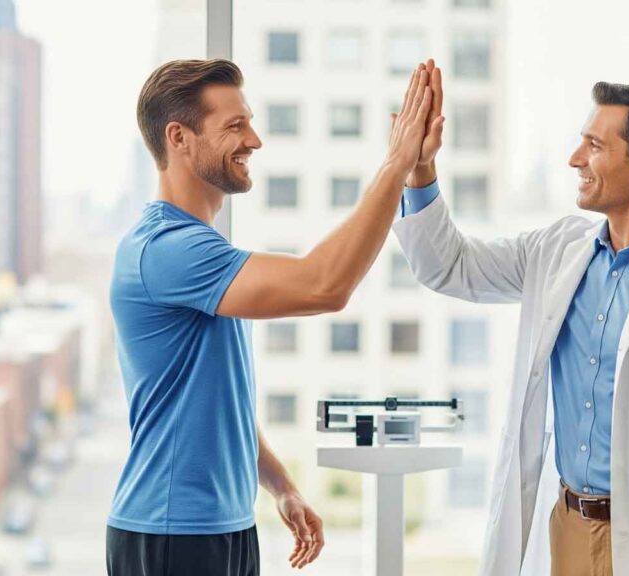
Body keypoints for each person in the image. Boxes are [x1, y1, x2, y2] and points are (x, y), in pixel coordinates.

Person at [394, 67, 629, 576]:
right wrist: (419, 170)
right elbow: (448, 266)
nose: (575, 159)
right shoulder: (556, 251)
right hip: (565, 527)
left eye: (593, 146)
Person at [107, 58, 442, 575]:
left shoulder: (200, 250)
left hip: (225, 526)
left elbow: (217, 400)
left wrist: (281, 486)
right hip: (171, 533)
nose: (255, 141)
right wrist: (397, 163)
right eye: (235, 126)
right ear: (179, 137)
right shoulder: (165, 250)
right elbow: (324, 285)